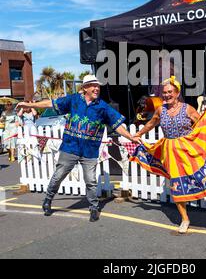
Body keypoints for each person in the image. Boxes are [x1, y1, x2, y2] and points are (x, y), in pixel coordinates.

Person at [16, 75, 138, 222]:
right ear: (85, 88)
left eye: (98, 86)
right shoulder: (73, 100)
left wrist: (130, 137)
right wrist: (30, 105)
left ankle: (93, 208)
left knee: (91, 181)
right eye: (93, 85)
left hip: (90, 151)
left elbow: (117, 125)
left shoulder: (103, 107)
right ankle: (48, 200)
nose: (96, 88)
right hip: (70, 148)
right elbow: (51, 103)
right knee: (58, 176)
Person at [131, 76, 206, 234]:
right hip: (170, 150)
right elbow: (150, 123)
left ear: (177, 93)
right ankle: (185, 219)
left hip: (188, 148)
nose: (167, 95)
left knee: (205, 175)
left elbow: (201, 123)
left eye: (170, 92)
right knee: (176, 185)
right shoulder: (161, 110)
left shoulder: (187, 108)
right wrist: (138, 134)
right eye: (164, 93)